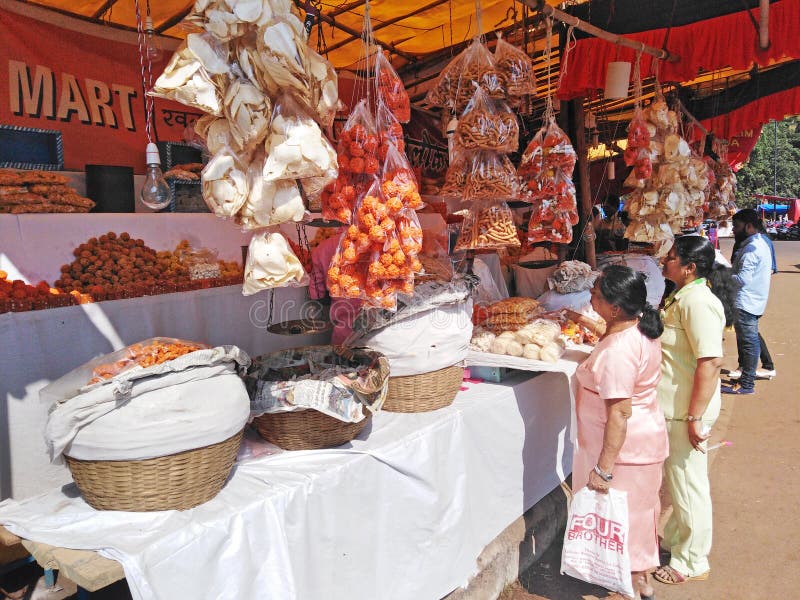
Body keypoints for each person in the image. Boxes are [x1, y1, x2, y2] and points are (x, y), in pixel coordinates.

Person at [573, 265, 667, 600]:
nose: (590, 297)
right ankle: (640, 578)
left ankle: (634, 583)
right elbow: (611, 335)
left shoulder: (618, 352)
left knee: (625, 518)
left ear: (615, 307)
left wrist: (604, 468)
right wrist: (582, 319)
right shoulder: (634, 328)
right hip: (641, 444)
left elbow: (620, 412)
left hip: (626, 452)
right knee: (639, 514)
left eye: (595, 294)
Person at [654, 236, 736, 586]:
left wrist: (694, 416)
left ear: (689, 267)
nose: (664, 262)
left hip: (685, 409)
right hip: (677, 407)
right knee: (681, 482)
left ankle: (691, 560)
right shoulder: (684, 296)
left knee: (688, 485)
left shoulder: (698, 302)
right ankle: (676, 542)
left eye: (671, 258)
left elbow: (710, 361)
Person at [722, 209, 773, 394]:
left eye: (736, 226)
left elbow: (743, 279)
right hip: (752, 300)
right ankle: (746, 380)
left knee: (748, 343)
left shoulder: (753, 248)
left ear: (749, 226)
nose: (733, 230)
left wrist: (723, 275)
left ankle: (746, 384)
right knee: (749, 342)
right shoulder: (758, 243)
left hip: (746, 301)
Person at [309, 231, 362, 345]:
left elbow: (317, 294)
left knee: (343, 360)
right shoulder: (379, 243)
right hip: (383, 335)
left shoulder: (323, 247)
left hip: (344, 334)